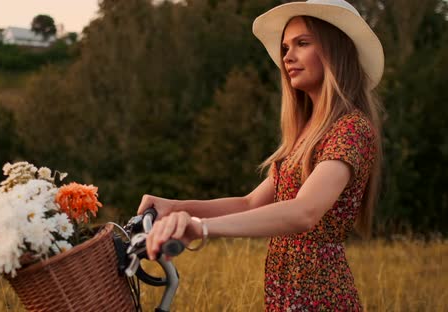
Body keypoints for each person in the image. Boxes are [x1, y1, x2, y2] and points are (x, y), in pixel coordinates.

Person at [136, 0, 384, 310]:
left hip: (321, 296)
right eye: (285, 48)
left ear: (335, 52)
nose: (287, 57)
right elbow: (249, 203)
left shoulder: (351, 129)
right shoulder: (306, 135)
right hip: (285, 293)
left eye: (302, 44)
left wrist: (201, 228)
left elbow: (303, 212)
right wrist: (174, 207)